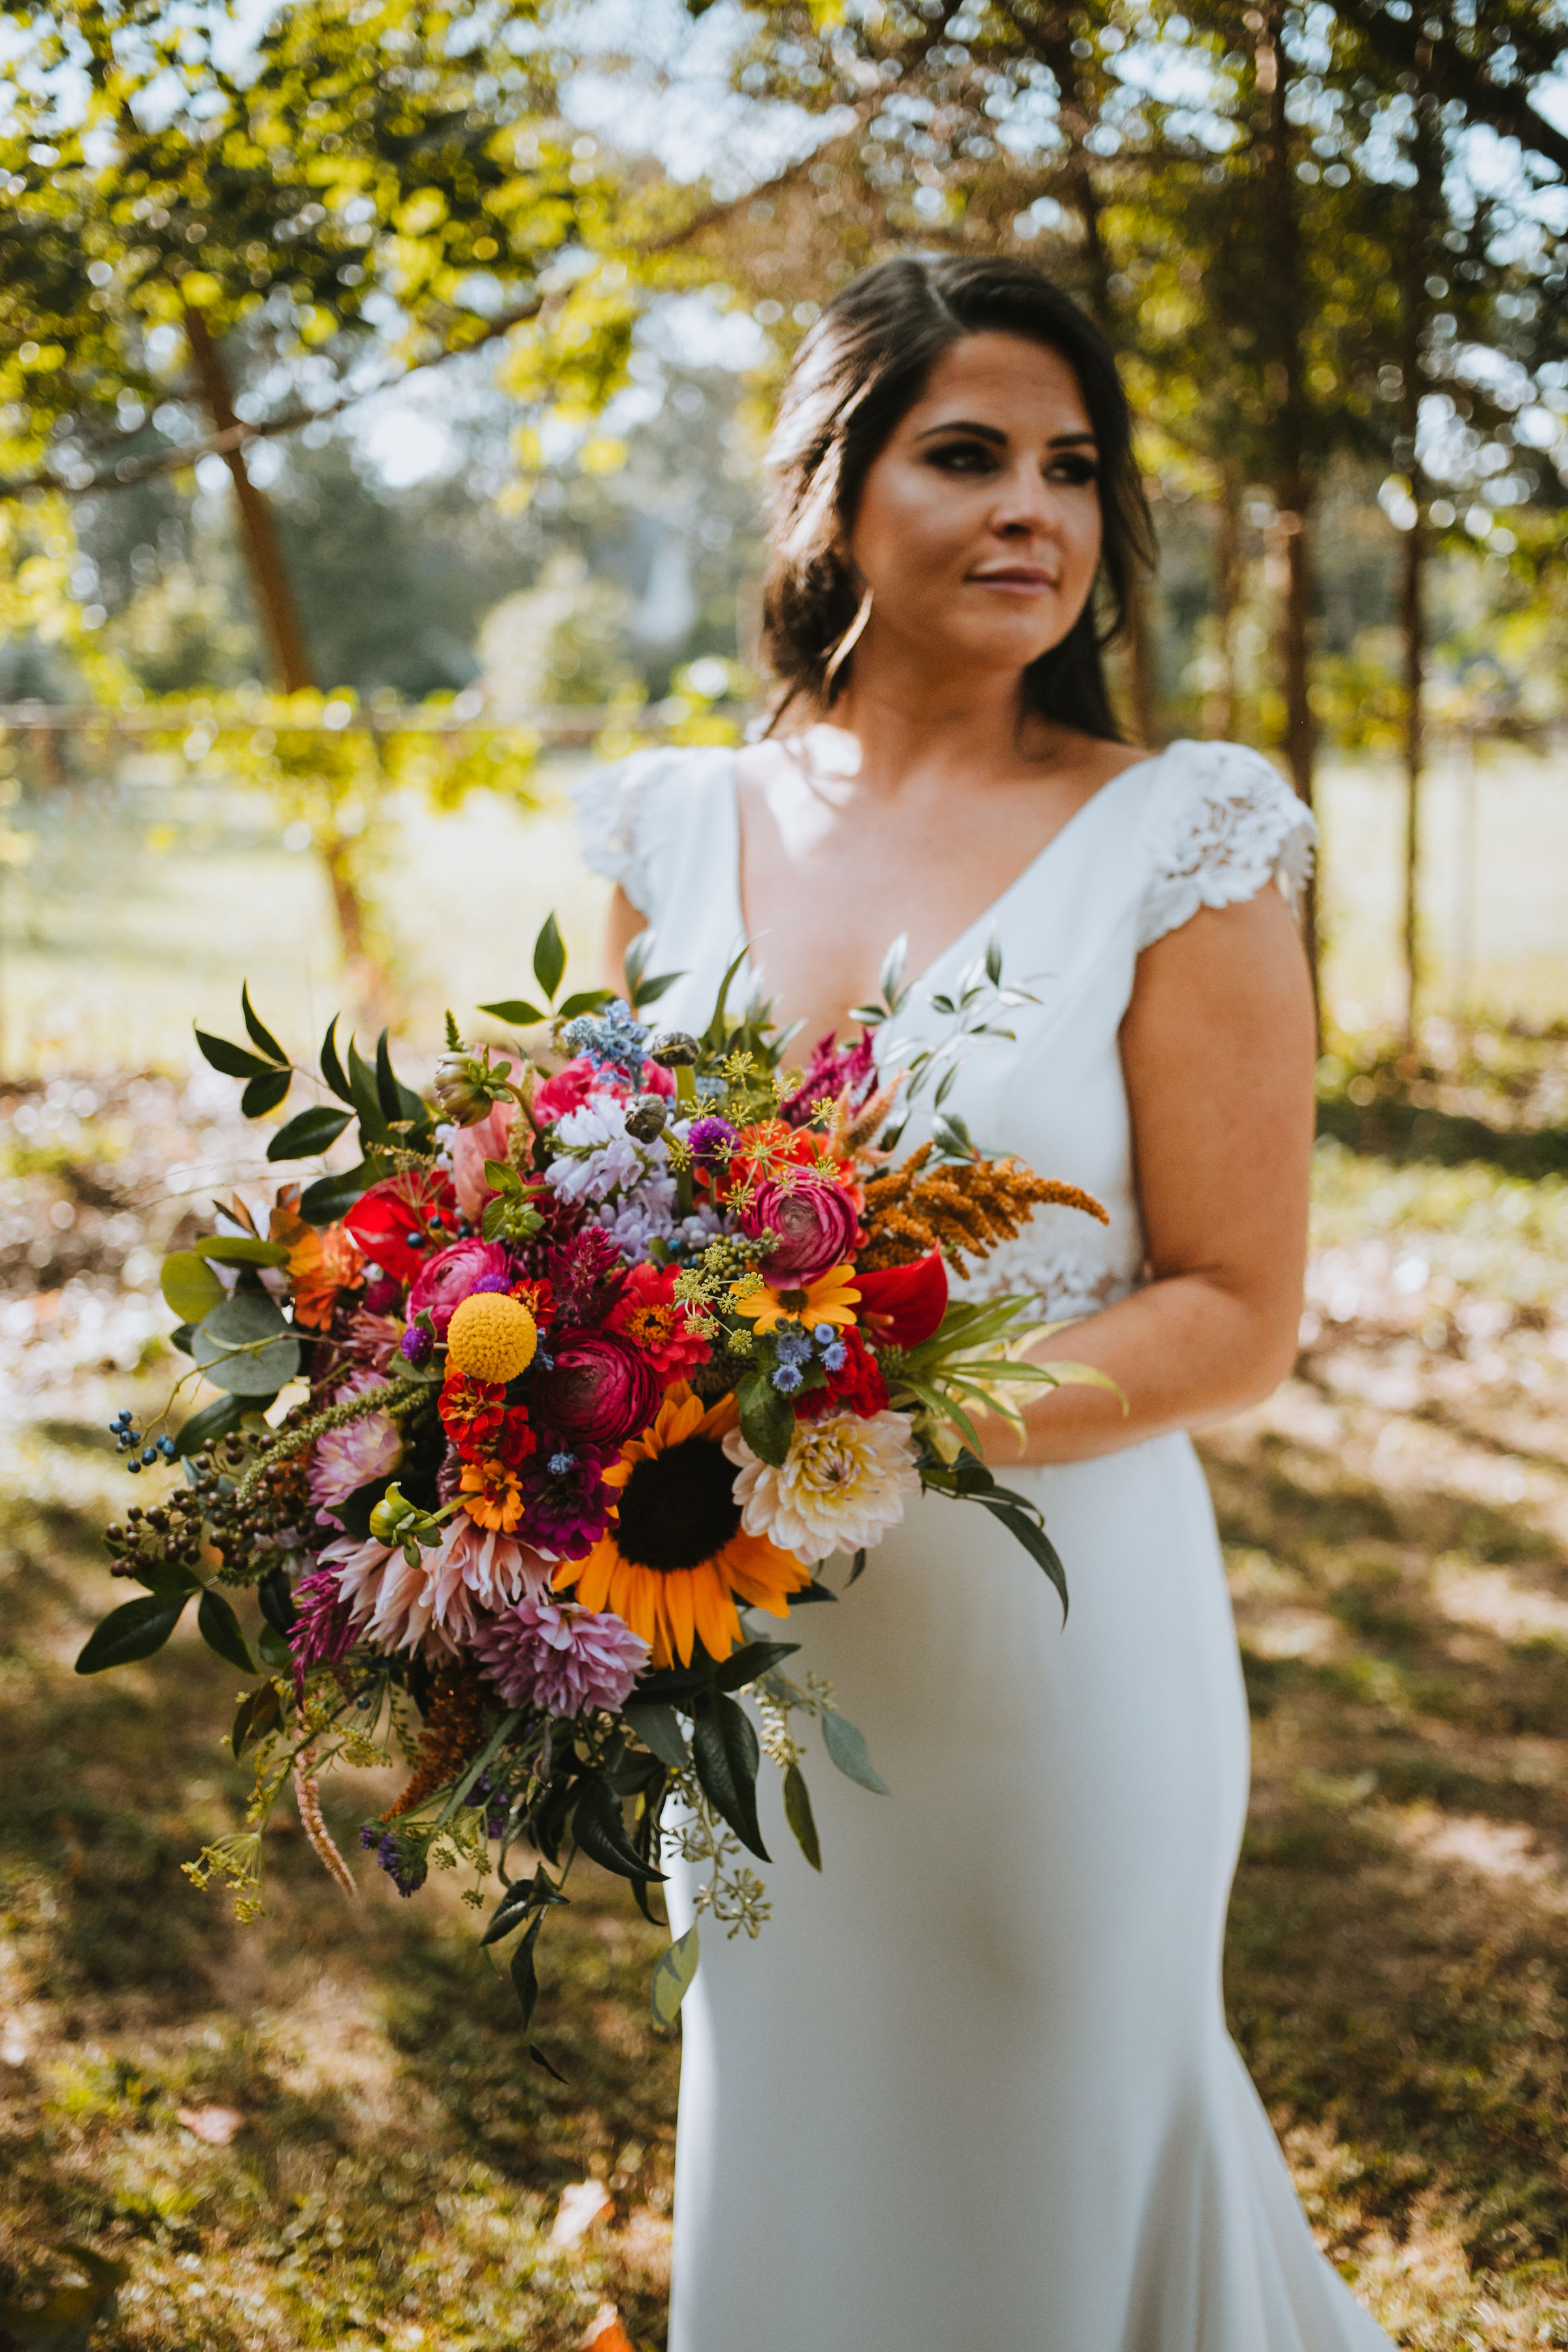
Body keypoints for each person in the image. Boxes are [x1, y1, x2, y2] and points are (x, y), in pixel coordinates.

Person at [576, 253, 1391, 2352]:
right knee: (799, 2148)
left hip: (1051, 1665)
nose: (1036, 506)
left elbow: (1237, 1310)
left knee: (1056, 2160)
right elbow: (578, 1237)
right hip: (744, 1669)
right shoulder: (672, 824)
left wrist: (856, 1422)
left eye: (1074, 466)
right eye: (967, 455)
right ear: (831, 495)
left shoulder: (1184, 836)